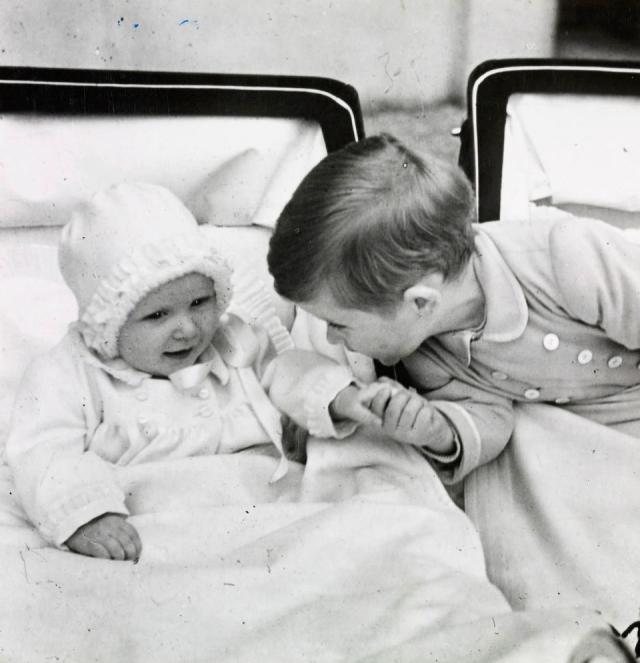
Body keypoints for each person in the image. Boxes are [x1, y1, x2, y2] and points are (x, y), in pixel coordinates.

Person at [267, 133, 640, 483]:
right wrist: (438, 430)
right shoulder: (430, 355)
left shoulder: (565, 257)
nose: (337, 342)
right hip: (625, 399)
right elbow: (489, 416)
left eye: (340, 325)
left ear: (419, 301)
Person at [4, 183, 383, 562]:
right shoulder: (73, 372)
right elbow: (44, 449)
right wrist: (84, 514)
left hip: (265, 505)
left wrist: (337, 397)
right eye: (157, 315)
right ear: (108, 321)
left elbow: (286, 373)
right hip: (151, 524)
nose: (187, 328)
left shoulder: (233, 340)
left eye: (200, 302)